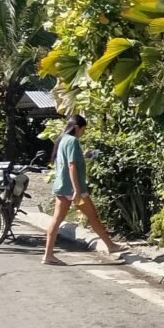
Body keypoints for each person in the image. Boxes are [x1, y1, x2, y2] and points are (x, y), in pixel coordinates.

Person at [42, 114, 126, 265]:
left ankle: (48, 255)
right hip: (74, 189)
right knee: (93, 216)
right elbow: (72, 165)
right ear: (76, 127)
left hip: (62, 187)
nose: (83, 132)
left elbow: (71, 161)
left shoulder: (63, 140)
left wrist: (85, 155)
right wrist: (76, 190)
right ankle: (111, 246)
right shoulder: (73, 141)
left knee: (56, 220)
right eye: (83, 129)